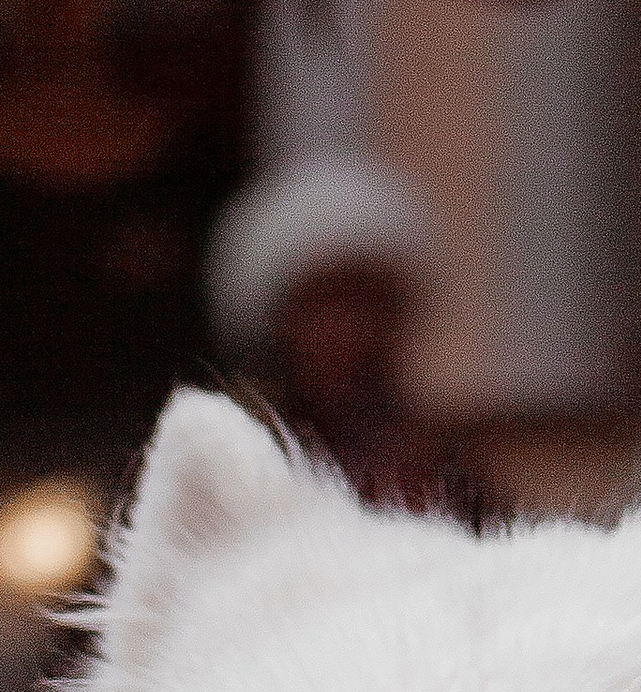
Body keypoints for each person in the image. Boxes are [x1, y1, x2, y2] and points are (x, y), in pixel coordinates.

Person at [204, 152, 490, 513]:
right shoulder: (239, 457)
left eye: (370, 306)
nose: (350, 333)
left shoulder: (437, 466)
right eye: (324, 310)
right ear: (279, 325)